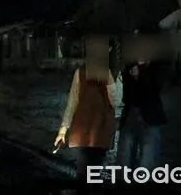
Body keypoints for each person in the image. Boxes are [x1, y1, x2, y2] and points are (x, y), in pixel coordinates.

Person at [54, 34, 119, 183]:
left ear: (108, 50)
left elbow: (116, 102)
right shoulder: (81, 73)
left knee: (94, 174)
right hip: (82, 131)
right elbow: (73, 102)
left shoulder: (113, 72)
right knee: (83, 174)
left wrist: (109, 81)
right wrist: (63, 130)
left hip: (101, 131)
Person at [116, 31, 166, 171]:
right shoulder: (130, 66)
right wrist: (129, 75)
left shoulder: (158, 67)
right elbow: (127, 96)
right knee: (123, 162)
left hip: (150, 118)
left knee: (148, 162)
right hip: (130, 115)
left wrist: (141, 74)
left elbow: (155, 89)